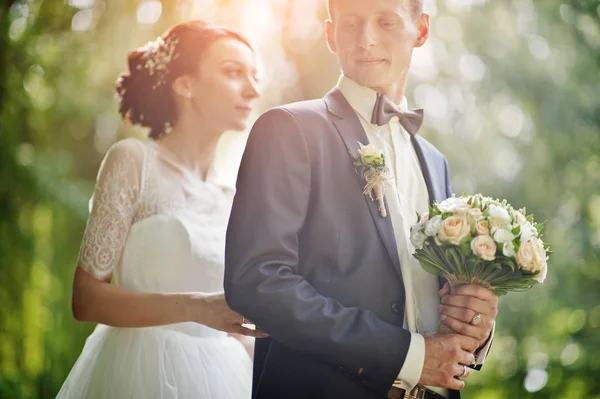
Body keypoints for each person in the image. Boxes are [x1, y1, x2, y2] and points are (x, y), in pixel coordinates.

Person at [224, 1, 497, 398]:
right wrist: (409, 356)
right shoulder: (288, 129)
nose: (366, 39)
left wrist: (476, 322)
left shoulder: (435, 162)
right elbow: (257, 280)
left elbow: (431, 291)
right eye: (351, 23)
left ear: (421, 31)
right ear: (331, 34)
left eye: (385, 22)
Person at [57, 20, 263, 399]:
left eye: (255, 76)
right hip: (135, 370)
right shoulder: (132, 161)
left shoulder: (233, 196)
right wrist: (199, 309)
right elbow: (85, 299)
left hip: (222, 377)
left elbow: (234, 322)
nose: (253, 89)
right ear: (185, 84)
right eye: (233, 72)